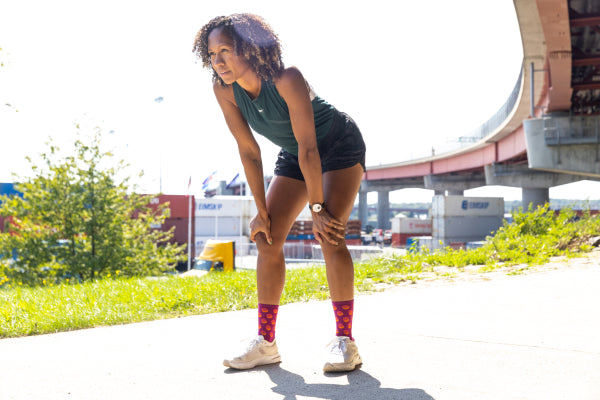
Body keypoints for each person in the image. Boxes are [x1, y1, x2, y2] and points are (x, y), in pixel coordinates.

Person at [192, 13, 366, 373]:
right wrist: (260, 210)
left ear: (250, 48)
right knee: (267, 238)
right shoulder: (224, 90)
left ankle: (345, 342)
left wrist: (318, 208)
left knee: (330, 235)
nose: (219, 61)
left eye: (226, 50)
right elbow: (249, 151)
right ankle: (266, 343)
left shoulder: (287, 79)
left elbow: (310, 149)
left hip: (336, 145)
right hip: (294, 154)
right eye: (212, 54)